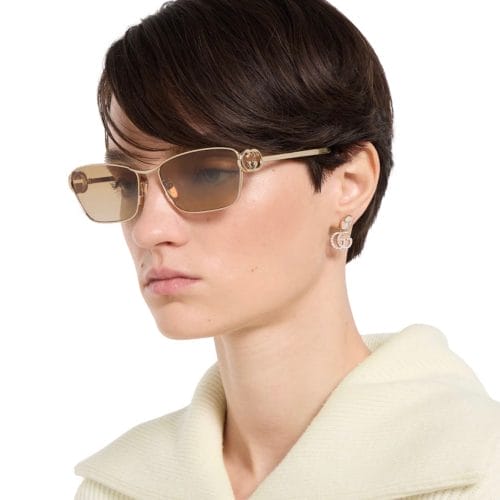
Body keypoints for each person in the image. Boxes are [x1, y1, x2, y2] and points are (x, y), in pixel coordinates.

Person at [69, 0, 500, 498]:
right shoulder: (117, 487)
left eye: (206, 173)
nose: (147, 230)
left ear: (349, 184)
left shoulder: (476, 468)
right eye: (126, 182)